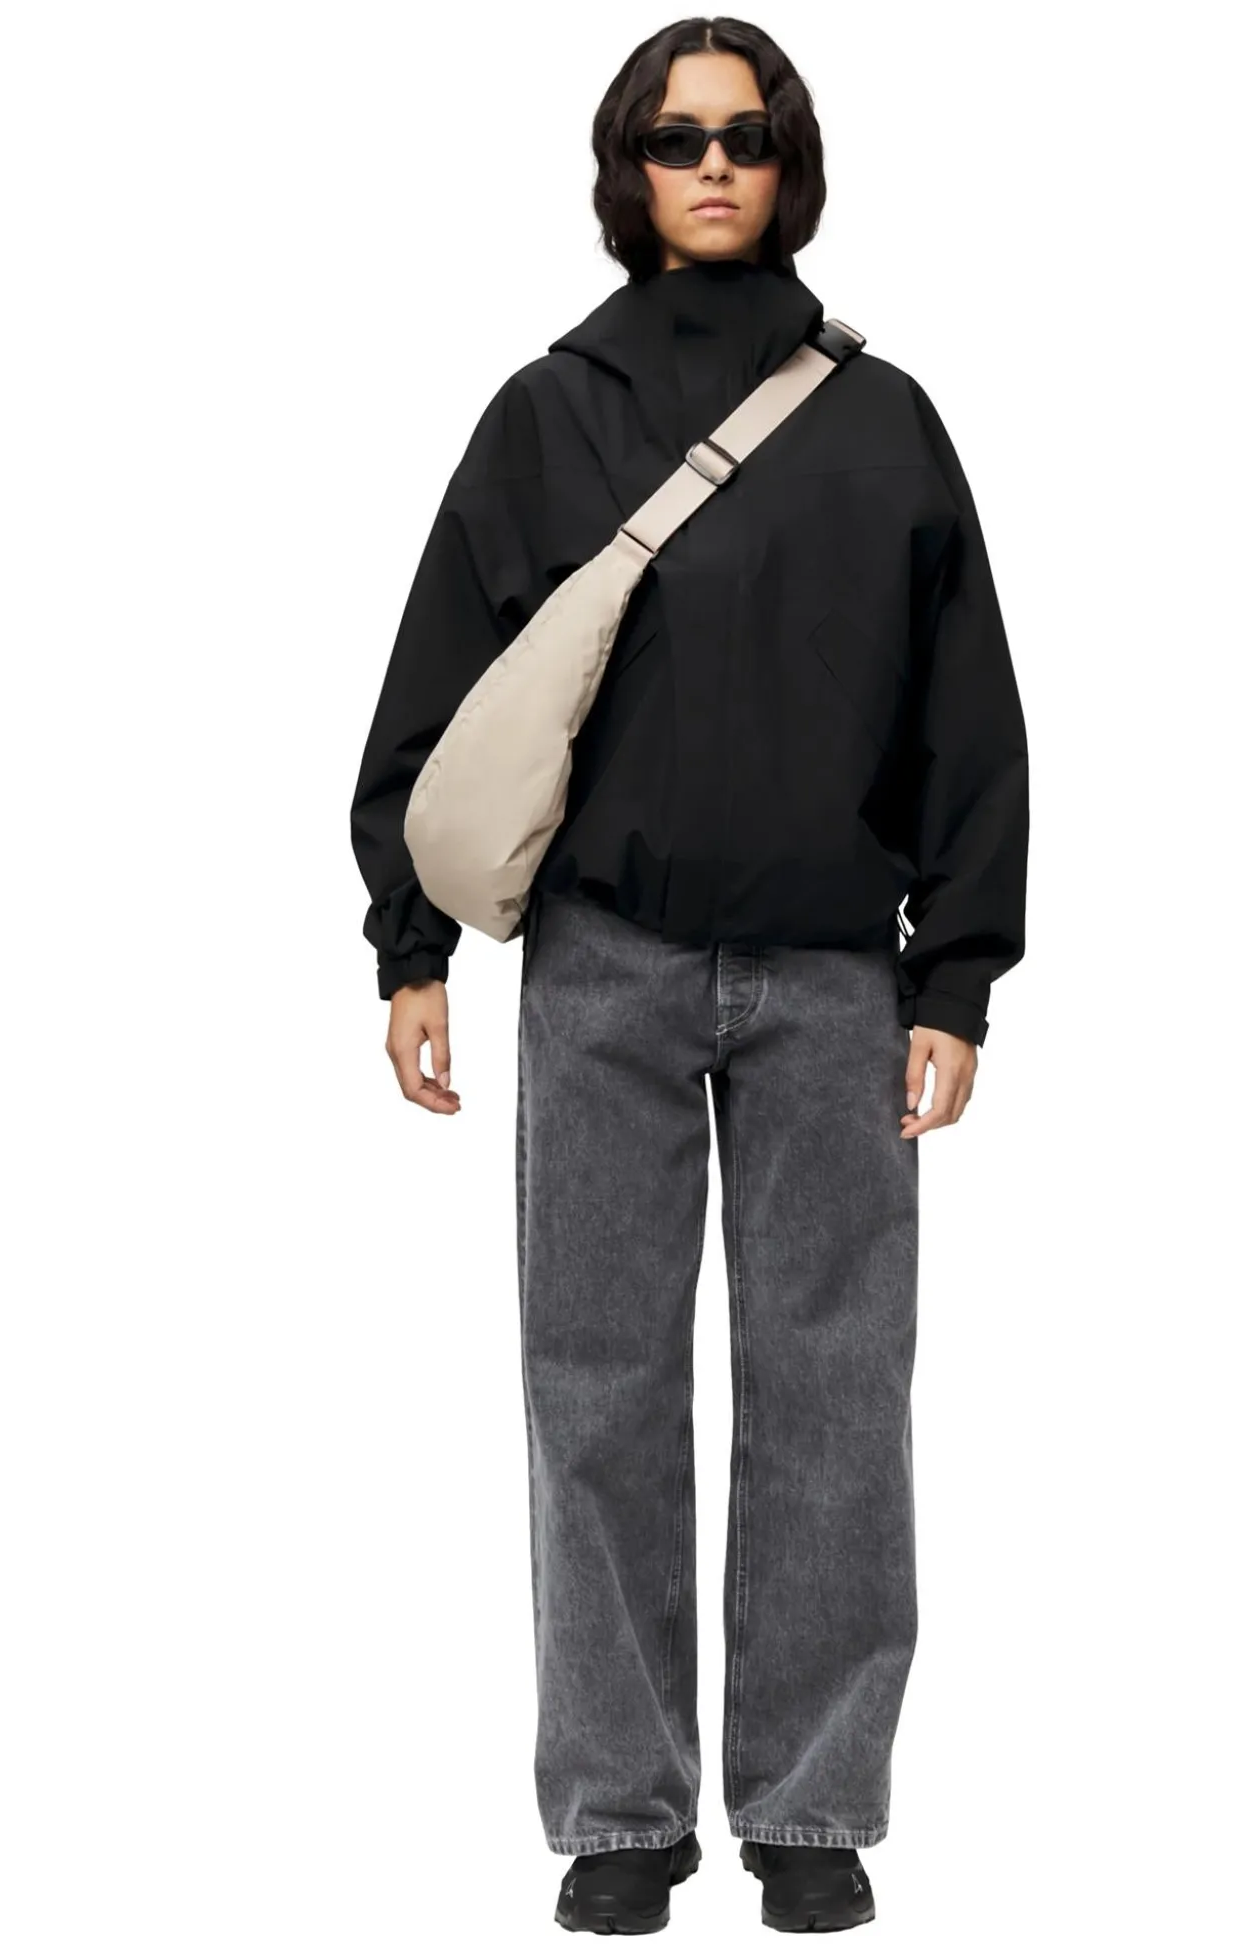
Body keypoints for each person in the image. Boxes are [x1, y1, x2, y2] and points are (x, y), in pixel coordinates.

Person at [349, 17, 1028, 1934]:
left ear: (790, 161)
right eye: (673, 136)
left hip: (834, 981)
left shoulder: (888, 423)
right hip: (604, 968)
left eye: (743, 134)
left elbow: (969, 712)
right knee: (595, 1393)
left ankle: (812, 1811)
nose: (712, 163)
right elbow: (435, 685)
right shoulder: (544, 413)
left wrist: (957, 979)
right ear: (626, 168)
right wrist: (410, 944)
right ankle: (622, 1809)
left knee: (836, 1397)